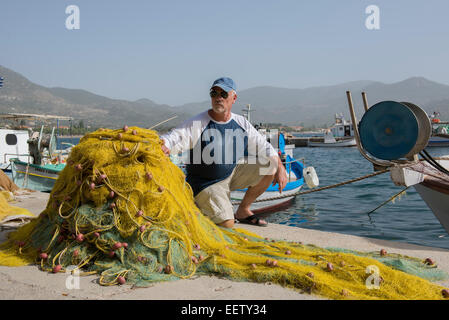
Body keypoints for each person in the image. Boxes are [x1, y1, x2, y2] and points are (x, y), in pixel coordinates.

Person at [160, 77, 287, 228]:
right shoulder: (199, 123)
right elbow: (174, 137)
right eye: (214, 93)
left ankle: (243, 210)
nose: (218, 98)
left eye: (223, 94)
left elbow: (265, 147)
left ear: (234, 98)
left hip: (232, 174)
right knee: (227, 223)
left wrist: (280, 167)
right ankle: (200, 206)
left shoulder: (241, 123)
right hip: (206, 183)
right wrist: (163, 145)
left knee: (269, 165)